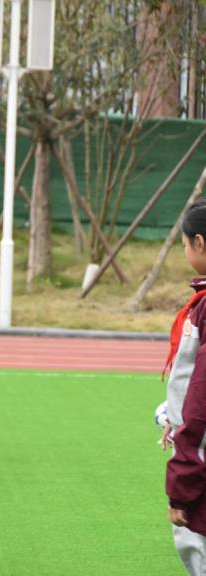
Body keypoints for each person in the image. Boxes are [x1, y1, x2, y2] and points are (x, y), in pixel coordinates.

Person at [165, 200, 206, 576]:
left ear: (200, 243)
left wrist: (181, 483)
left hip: (199, 456)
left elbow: (199, 397)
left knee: (195, 541)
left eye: (184, 245)